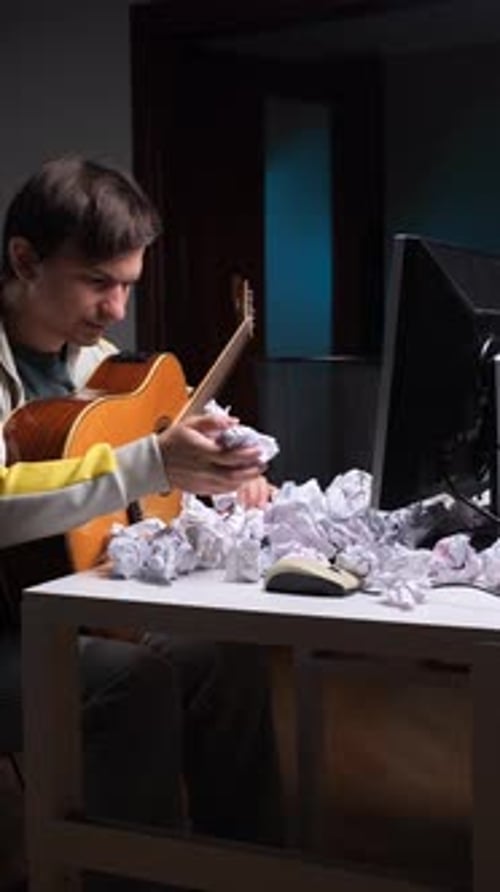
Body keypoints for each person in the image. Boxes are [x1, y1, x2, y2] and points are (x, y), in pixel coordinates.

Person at [0, 156, 282, 891]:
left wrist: (224, 471)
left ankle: (245, 869)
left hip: (82, 606)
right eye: (98, 282)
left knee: (228, 652)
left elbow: (143, 472)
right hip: (8, 628)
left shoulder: (96, 364)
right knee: (136, 682)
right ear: (24, 259)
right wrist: (149, 466)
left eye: (128, 284)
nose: (118, 309)